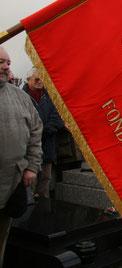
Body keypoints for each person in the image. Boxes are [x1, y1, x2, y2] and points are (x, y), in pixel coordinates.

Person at [0, 47, 43, 268]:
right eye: (1, 62)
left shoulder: (20, 97)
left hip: (11, 182)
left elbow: (36, 131)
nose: (6, 66)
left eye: (8, 62)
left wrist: (31, 167)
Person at [23, 68, 64, 199]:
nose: (40, 81)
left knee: (45, 179)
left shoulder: (50, 96)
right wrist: (35, 133)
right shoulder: (22, 97)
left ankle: (44, 209)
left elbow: (57, 117)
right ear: (28, 80)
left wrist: (44, 130)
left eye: (42, 79)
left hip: (47, 145)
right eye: (36, 79)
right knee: (30, 183)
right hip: (28, 149)